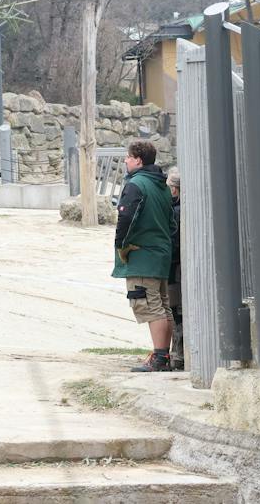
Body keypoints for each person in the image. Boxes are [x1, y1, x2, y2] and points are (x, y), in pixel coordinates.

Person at [113, 139, 174, 372]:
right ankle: (164, 355)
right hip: (161, 255)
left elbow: (126, 218)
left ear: (138, 160)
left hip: (142, 256)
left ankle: (159, 358)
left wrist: (122, 246)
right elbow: (171, 224)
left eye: (128, 157)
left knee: (148, 305)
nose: (126, 161)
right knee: (162, 305)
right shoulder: (163, 186)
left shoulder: (136, 184)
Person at [167, 166, 184, 371]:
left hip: (175, 270)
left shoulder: (175, 212)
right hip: (178, 268)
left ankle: (178, 354)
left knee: (176, 311)